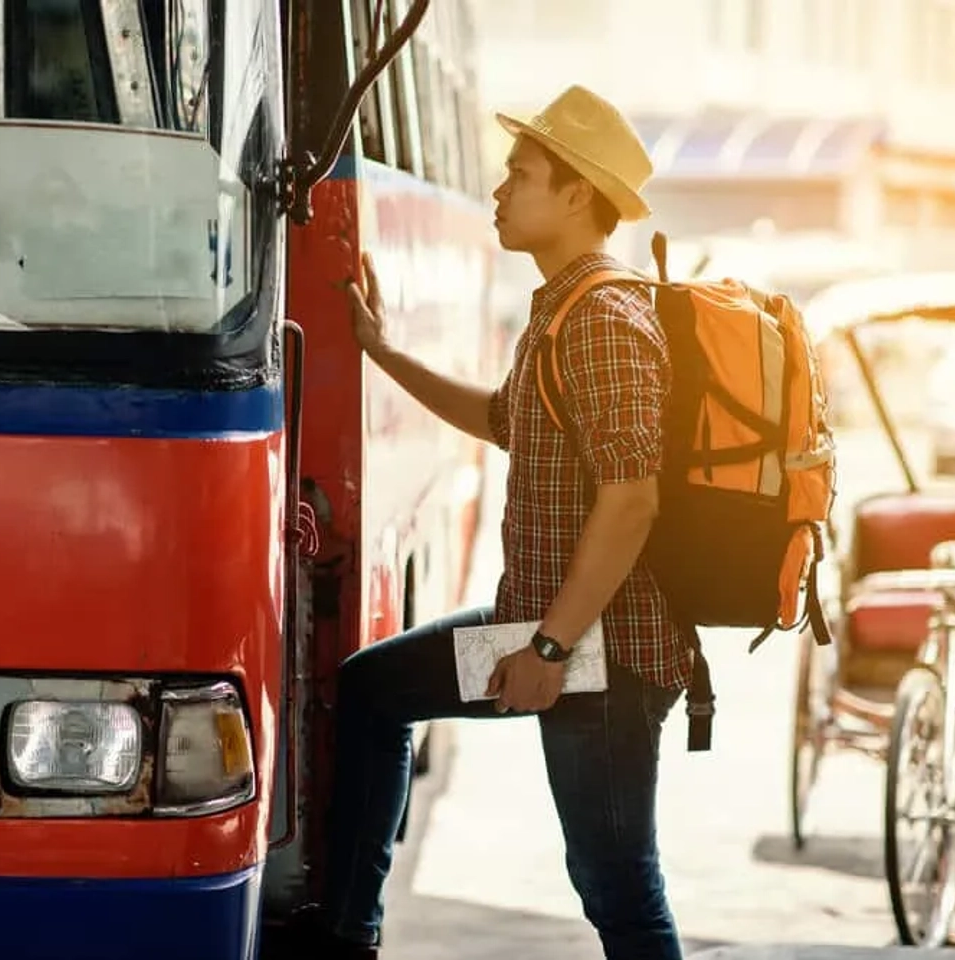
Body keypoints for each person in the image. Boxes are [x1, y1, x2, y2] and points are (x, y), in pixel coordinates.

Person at [292, 84, 694, 960]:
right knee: (373, 691)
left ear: (578, 195)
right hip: (541, 632)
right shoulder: (561, 309)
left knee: (618, 888)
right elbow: (500, 419)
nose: (498, 192)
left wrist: (548, 650)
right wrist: (384, 352)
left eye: (521, 175)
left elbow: (633, 499)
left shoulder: (604, 320)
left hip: (600, 657)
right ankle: (346, 936)